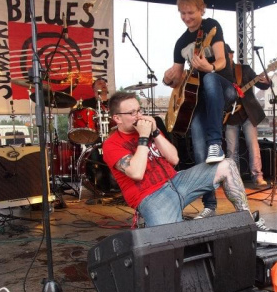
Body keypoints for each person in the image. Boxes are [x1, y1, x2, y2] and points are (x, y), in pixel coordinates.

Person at [102, 91, 266, 229]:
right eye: (132, 113)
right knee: (171, 241)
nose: (138, 116)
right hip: (151, 198)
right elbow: (136, 173)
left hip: (177, 181)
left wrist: (155, 132)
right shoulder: (111, 144)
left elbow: (174, 158)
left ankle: (248, 221)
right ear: (117, 118)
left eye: (139, 110)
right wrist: (144, 137)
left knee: (227, 165)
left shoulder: (147, 130)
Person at [163, 0, 237, 219]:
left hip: (223, 86)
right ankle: (209, 205)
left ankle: (216, 142)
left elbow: (223, 61)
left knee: (211, 79)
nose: (187, 17)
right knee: (198, 153)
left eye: (191, 12)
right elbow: (176, 75)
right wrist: (168, 78)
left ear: (201, 9)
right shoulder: (180, 43)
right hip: (198, 101)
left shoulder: (212, 26)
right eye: (182, 13)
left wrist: (210, 67)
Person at [224, 44, 270, 187]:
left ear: (231, 55)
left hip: (248, 113)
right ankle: (233, 178)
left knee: (253, 145)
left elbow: (261, 85)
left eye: (228, 54)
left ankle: (257, 175)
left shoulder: (243, 69)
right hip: (230, 116)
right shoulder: (219, 74)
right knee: (231, 150)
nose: (226, 57)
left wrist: (267, 82)